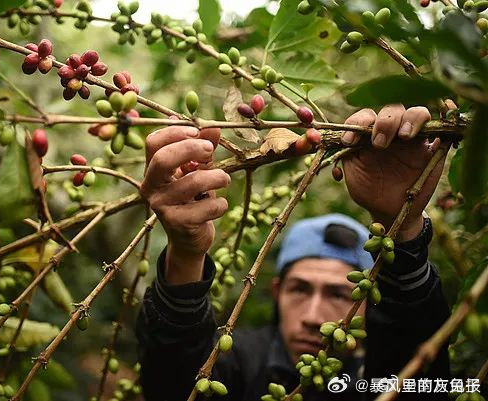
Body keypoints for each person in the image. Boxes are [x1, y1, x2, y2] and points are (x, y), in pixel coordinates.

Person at [135, 104, 451, 400]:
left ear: (369, 304)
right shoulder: (236, 363)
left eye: (339, 295)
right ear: (277, 292)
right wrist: (186, 254)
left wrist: (404, 226)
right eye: (300, 289)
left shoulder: (386, 377)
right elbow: (172, 385)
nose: (313, 317)